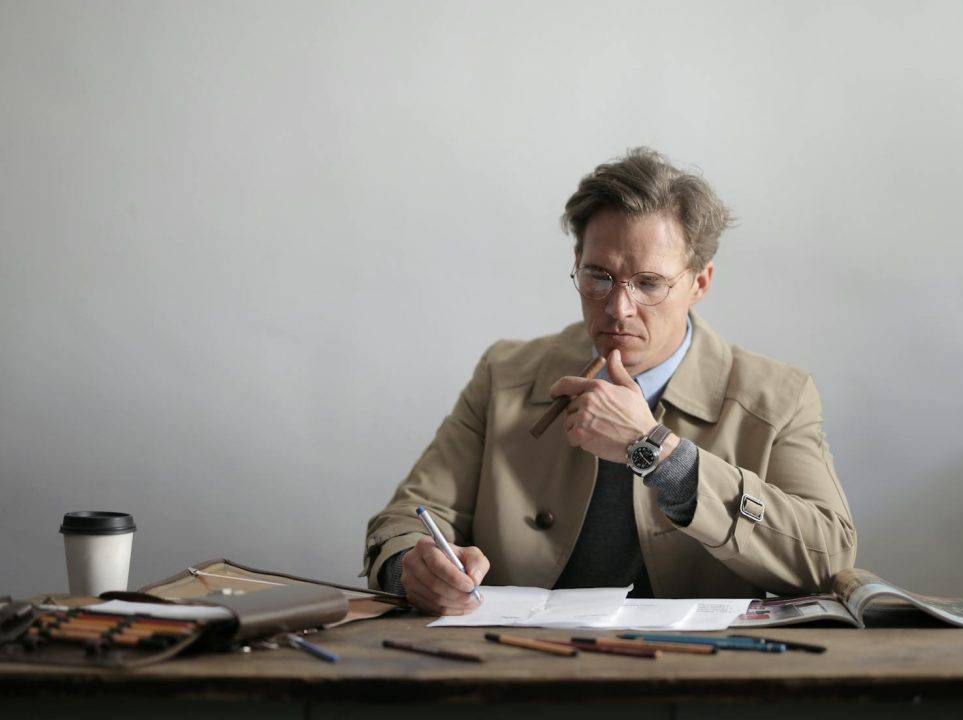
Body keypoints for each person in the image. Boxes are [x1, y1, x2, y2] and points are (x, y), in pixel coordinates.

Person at [361, 148, 857, 615]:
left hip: (696, 680)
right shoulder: (505, 374)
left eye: (648, 283)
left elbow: (829, 559)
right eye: (598, 277)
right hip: (516, 670)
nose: (618, 309)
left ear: (700, 283)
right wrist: (413, 570)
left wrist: (657, 451)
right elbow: (406, 519)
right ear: (576, 264)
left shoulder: (778, 396)